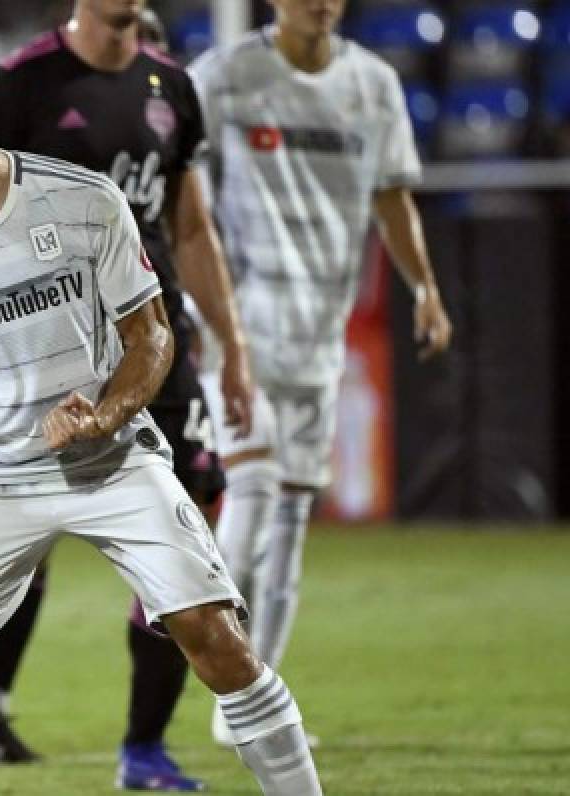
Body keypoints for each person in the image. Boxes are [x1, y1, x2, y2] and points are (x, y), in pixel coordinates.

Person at [0, 26, 322, 796]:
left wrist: (107, 411)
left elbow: (151, 334)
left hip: (113, 462)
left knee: (220, 645)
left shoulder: (84, 202)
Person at [185, 0, 453, 746]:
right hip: (237, 328)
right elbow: (180, 185)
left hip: (319, 334)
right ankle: (214, 660)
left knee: (292, 522)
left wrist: (425, 286)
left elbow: (391, 193)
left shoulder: (371, 85)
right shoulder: (226, 77)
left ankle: (248, 701)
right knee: (256, 488)